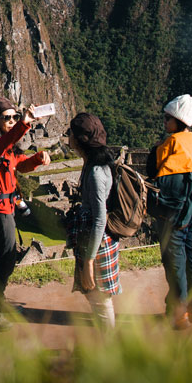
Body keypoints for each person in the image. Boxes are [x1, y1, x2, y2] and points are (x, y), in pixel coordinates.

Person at [146, 94, 192, 328]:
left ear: (177, 120)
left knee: (175, 261)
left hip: (175, 213)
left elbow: (154, 172)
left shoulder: (170, 145)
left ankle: (178, 315)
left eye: (167, 118)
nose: (165, 122)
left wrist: (155, 149)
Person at [0, 96, 52, 325]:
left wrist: (38, 159)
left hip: (8, 207)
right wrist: (25, 123)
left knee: (7, 253)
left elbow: (20, 164)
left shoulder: (7, 146)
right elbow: (6, 143)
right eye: (7, 118)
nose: (12, 121)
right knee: (7, 254)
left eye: (14, 117)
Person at [67, 112, 120, 330]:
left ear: (81, 140)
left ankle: (109, 350)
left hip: (96, 242)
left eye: (71, 133)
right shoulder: (90, 165)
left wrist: (89, 261)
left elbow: (100, 219)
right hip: (90, 239)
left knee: (100, 299)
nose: (68, 136)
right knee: (95, 298)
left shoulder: (97, 172)